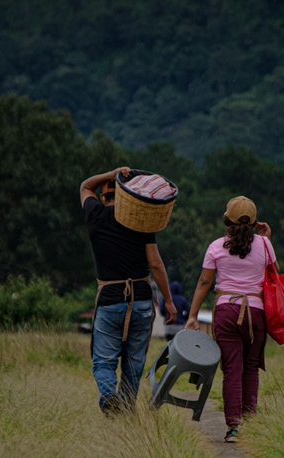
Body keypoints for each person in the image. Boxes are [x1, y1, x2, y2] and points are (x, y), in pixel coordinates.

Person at [80, 167, 177, 416]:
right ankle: (125, 412)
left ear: (103, 197)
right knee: (133, 364)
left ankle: (110, 396)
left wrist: (111, 173)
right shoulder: (141, 223)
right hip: (142, 301)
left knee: (103, 362)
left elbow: (85, 186)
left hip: (110, 300)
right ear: (126, 197)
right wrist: (168, 300)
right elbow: (155, 264)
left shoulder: (95, 216)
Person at [185, 196, 273, 443]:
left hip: (226, 311)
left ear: (227, 220)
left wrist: (193, 315)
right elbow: (270, 273)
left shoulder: (216, 247)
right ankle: (251, 426)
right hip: (256, 313)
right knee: (251, 368)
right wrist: (267, 238)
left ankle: (234, 428)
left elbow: (204, 282)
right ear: (255, 222)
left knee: (232, 370)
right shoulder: (265, 245)